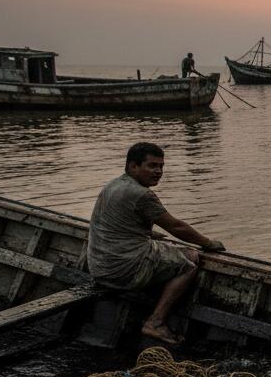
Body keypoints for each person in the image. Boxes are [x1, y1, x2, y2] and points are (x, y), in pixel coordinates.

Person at [87, 142, 226, 345]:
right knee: (190, 261)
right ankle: (156, 321)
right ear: (133, 166)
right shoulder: (142, 194)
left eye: (161, 166)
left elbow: (116, 223)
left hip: (99, 267)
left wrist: (147, 234)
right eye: (152, 166)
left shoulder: (113, 185)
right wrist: (208, 243)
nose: (158, 171)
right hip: (121, 270)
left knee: (171, 251)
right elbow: (176, 227)